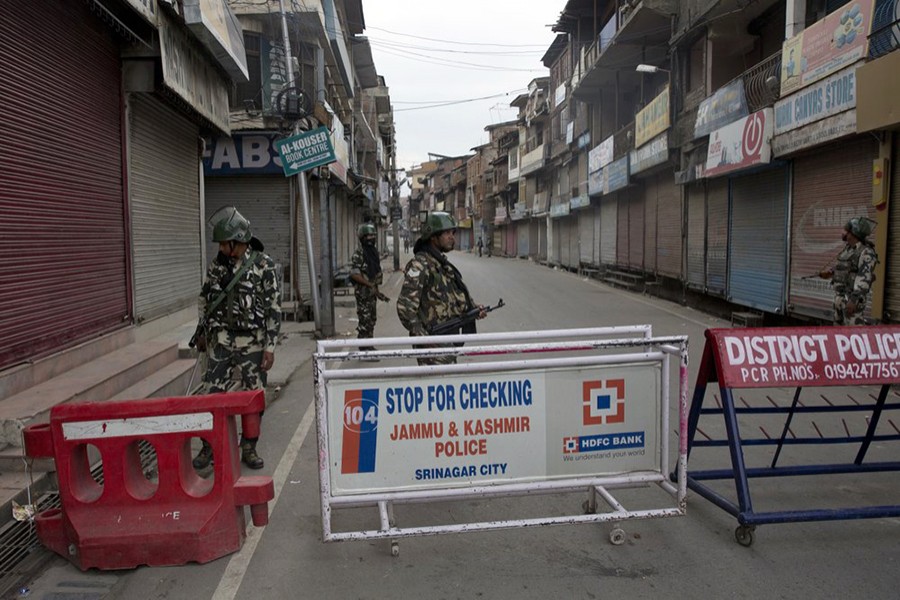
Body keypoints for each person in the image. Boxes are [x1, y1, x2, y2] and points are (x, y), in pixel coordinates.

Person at [193, 207, 281, 470]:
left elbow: (273, 308)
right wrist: (202, 332)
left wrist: (270, 347)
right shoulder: (217, 267)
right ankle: (209, 447)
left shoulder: (263, 266)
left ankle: (249, 448)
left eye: (224, 243)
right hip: (220, 341)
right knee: (211, 396)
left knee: (253, 397)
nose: (220, 248)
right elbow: (205, 300)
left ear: (238, 240)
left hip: (252, 343)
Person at [397, 211, 485, 365]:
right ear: (433, 237)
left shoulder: (441, 264)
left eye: (453, 232)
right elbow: (405, 308)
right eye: (446, 233)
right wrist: (425, 339)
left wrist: (473, 309)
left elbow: (450, 298)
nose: (452, 237)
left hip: (447, 342)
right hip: (432, 348)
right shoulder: (421, 265)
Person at [819, 216, 878, 326]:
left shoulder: (866, 252)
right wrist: (831, 273)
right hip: (839, 300)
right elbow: (847, 269)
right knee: (838, 336)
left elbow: (864, 278)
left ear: (853, 233)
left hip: (851, 301)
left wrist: (854, 300)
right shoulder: (848, 250)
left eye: (845, 230)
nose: (842, 232)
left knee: (853, 335)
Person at [349, 223, 383, 349]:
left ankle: (369, 345)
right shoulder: (359, 254)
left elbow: (375, 274)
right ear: (363, 238)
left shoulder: (373, 253)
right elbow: (354, 274)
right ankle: (363, 348)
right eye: (368, 236)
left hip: (371, 294)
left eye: (373, 235)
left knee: (372, 320)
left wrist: (377, 291)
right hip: (363, 294)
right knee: (365, 321)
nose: (371, 238)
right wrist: (369, 285)